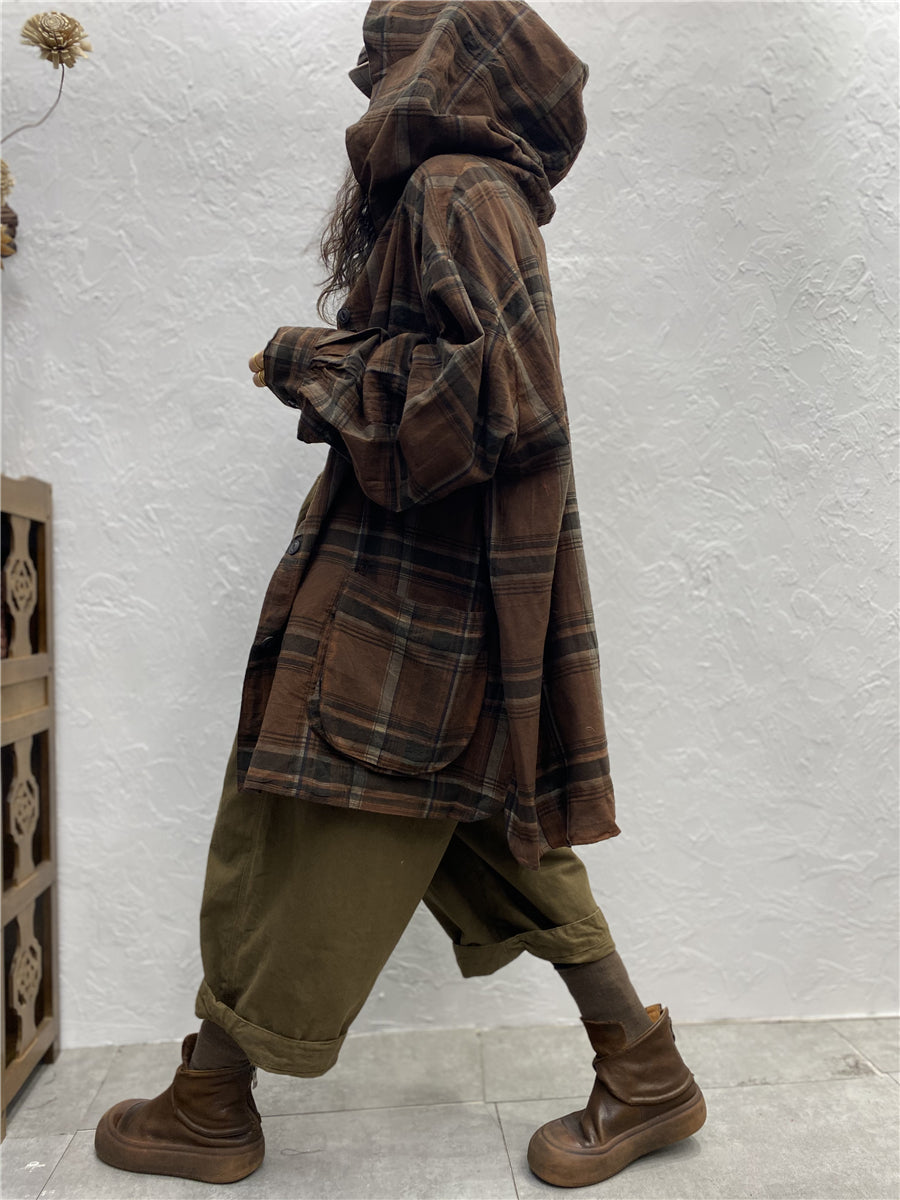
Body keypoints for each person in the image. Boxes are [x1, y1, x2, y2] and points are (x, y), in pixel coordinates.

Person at [93, 0, 705, 1189]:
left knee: (305, 821)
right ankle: (643, 1071)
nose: (361, 71)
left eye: (382, 49)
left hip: (412, 601)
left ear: (439, 62)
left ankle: (212, 1101)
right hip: (440, 598)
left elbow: (500, 401)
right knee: (489, 835)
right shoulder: (472, 190)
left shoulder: (453, 189)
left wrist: (310, 360)